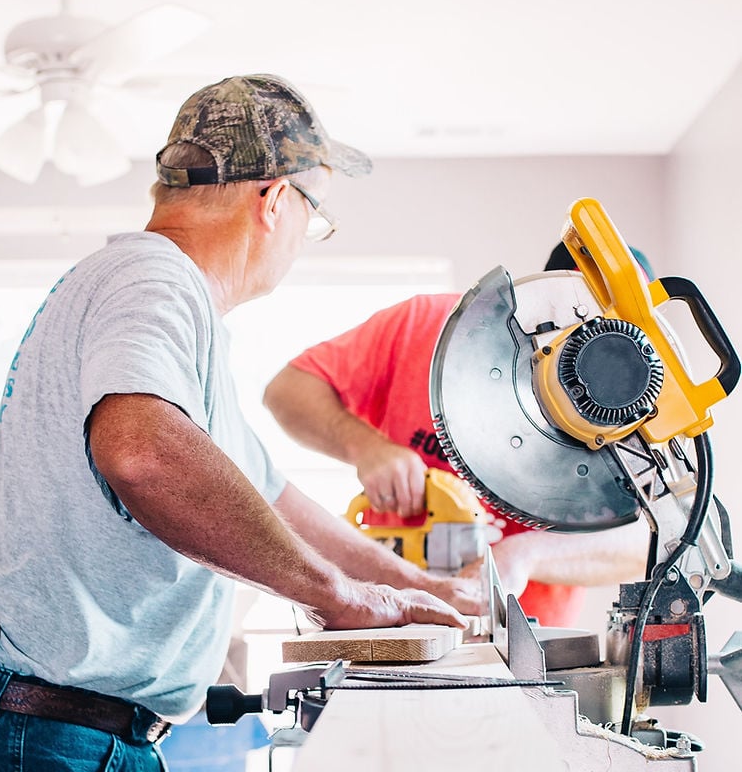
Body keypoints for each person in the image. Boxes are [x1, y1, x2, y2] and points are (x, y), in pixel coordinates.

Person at [0, 74, 483, 772]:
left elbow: (275, 497)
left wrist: (413, 586)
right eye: (315, 215)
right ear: (276, 201)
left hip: (67, 746)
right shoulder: (152, 280)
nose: (304, 238)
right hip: (54, 746)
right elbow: (138, 448)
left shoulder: (166, 313)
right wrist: (335, 596)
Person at [263, 245, 654, 626]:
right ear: (540, 292)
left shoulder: (636, 406)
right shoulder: (425, 325)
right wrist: (365, 446)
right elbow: (287, 391)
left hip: (523, 638)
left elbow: (647, 541)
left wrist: (525, 554)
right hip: (388, 614)